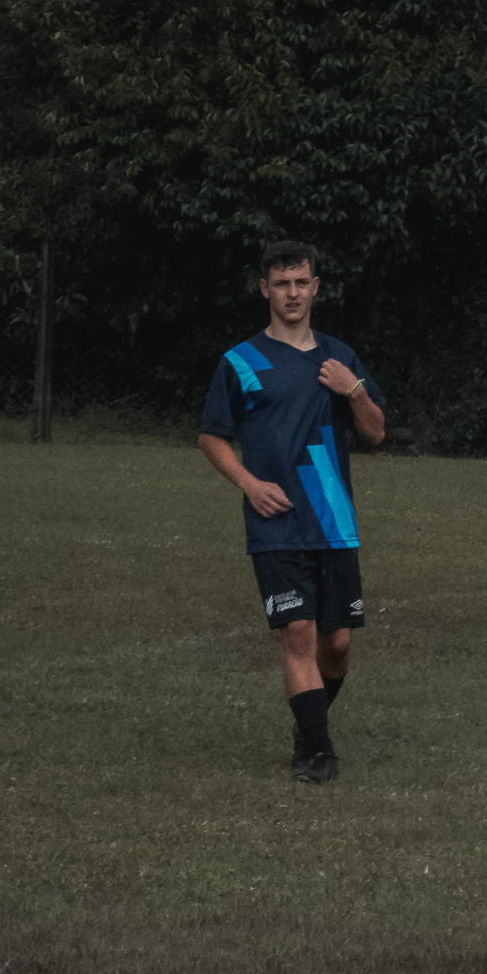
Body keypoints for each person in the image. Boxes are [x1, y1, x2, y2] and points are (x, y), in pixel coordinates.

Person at [198, 241, 386, 785]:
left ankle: (309, 722)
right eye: (281, 284)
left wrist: (353, 391)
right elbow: (212, 438)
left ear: (316, 287)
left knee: (338, 644)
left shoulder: (339, 357)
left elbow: (374, 433)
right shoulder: (241, 361)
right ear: (265, 290)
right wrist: (250, 484)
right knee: (298, 633)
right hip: (276, 523)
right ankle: (317, 751)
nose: (292, 293)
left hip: (334, 521)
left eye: (301, 282)